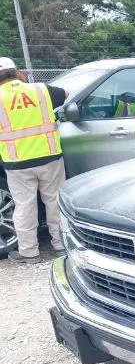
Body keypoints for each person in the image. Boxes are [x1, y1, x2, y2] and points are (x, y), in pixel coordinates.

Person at [0, 58, 68, 264]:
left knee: (24, 207)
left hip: (17, 162)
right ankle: (61, 246)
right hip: (49, 157)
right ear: (18, 72)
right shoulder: (41, 90)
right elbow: (66, 94)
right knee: (55, 201)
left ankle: (30, 253)